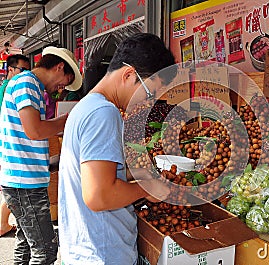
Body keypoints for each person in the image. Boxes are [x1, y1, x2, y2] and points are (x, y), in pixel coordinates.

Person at [58, 33, 176, 265]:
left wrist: (136, 174)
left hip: (86, 249)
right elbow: (99, 196)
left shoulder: (86, 107)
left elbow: (94, 176)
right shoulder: (104, 114)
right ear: (129, 74)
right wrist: (146, 188)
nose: (148, 101)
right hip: (102, 254)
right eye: (150, 92)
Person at [0, 46, 82, 264]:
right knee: (45, 251)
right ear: (59, 66)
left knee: (27, 244)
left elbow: (27, 138)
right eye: (65, 80)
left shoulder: (28, 84)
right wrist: (67, 120)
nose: (61, 87)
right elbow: (34, 131)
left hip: (23, 179)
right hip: (24, 183)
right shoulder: (27, 83)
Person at [0, 54, 30, 237]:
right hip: (7, 142)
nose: (26, 74)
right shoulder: (9, 88)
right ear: (10, 69)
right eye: (23, 70)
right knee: (12, 185)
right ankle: (3, 222)